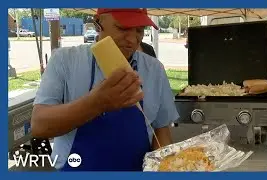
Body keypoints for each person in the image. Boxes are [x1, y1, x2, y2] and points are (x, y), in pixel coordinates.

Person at [31, 8, 179, 171]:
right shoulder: (65, 60)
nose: (132, 39)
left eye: (139, 30)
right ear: (98, 23)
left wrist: (166, 167)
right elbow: (39, 126)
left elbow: (161, 129)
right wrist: (97, 103)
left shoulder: (154, 69)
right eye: (122, 28)